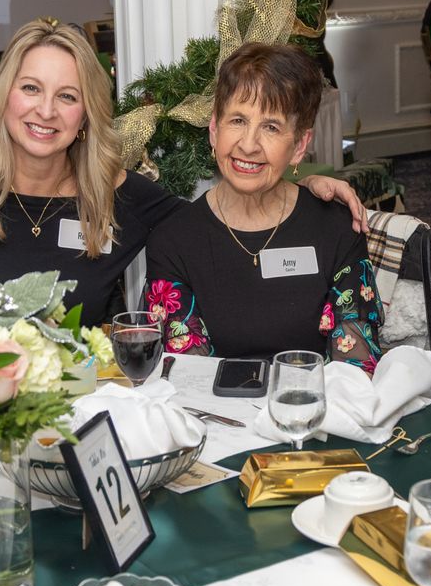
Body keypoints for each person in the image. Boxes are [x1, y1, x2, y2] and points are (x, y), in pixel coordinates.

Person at [0, 19, 366, 321]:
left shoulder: (120, 197)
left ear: (86, 114)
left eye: (67, 96)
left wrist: (303, 185)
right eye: (30, 88)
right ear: (4, 95)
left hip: (78, 410)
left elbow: (223, 213)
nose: (46, 110)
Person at [144, 43, 383, 369]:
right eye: (238, 120)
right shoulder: (174, 241)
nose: (248, 144)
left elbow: (356, 367)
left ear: (300, 145)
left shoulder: (336, 228)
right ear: (214, 130)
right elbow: (188, 376)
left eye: (271, 127)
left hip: (316, 411)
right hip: (214, 416)